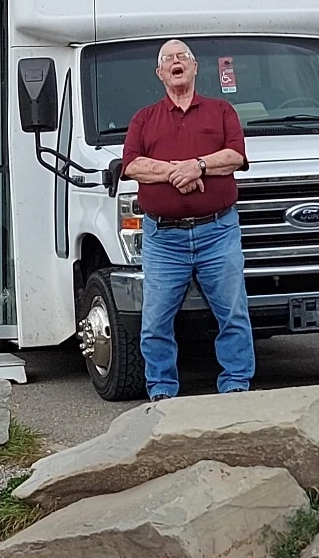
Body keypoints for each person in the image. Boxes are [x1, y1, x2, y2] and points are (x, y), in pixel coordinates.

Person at [121, 39, 255, 401]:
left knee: (233, 314)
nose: (176, 62)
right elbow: (132, 165)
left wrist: (197, 166)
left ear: (195, 68)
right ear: (160, 73)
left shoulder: (222, 110)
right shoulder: (144, 118)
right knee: (155, 322)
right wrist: (177, 172)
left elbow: (235, 156)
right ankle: (162, 390)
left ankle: (236, 385)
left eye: (184, 57)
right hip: (164, 240)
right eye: (169, 59)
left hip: (218, 232)